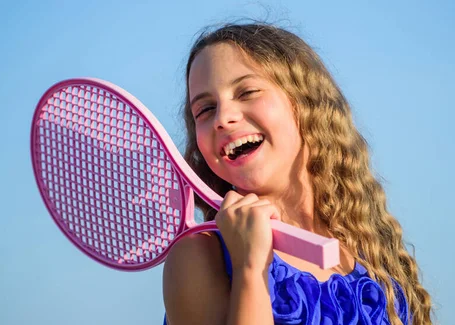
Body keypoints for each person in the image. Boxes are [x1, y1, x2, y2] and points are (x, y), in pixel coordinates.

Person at [162, 22, 433, 325]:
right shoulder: (199, 256)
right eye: (205, 110)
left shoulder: (372, 255)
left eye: (248, 92)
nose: (223, 118)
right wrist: (250, 269)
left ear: (306, 104)